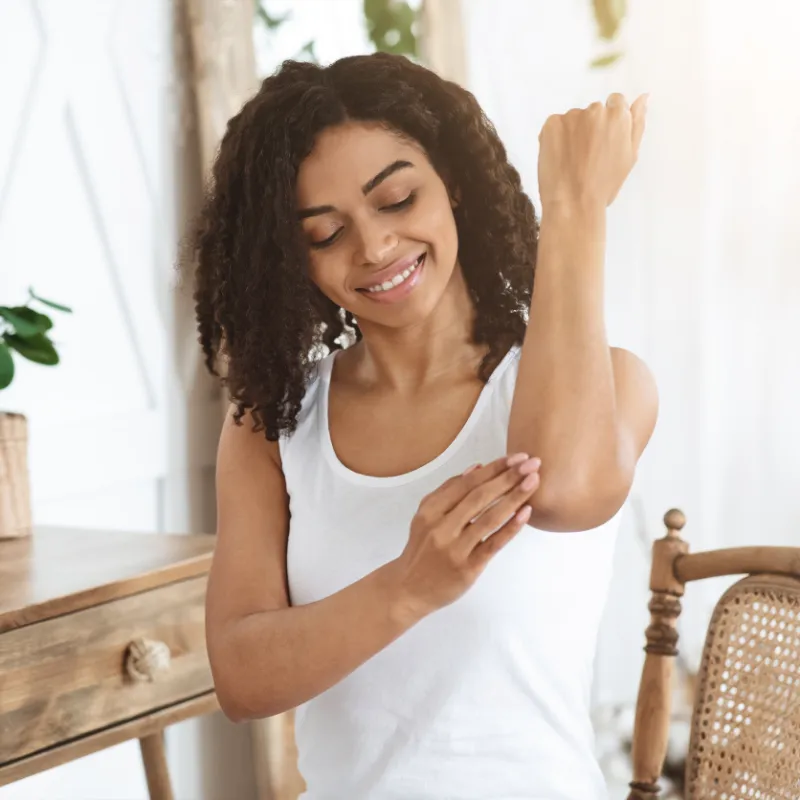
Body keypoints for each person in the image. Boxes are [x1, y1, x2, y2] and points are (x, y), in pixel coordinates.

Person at [188, 52, 658, 800]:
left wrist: (574, 209)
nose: (373, 248)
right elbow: (240, 678)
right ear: (293, 261)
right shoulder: (272, 425)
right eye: (324, 233)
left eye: (397, 199)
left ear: (455, 185)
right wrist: (408, 586)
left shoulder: (607, 383)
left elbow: (563, 489)